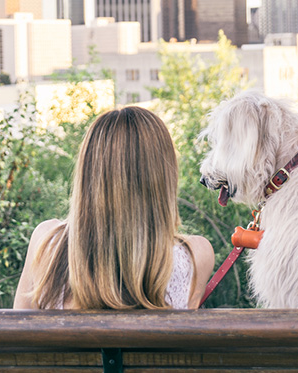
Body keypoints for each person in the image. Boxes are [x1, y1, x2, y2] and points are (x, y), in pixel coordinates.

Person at [13, 106, 215, 310]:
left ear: (88, 174)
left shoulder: (47, 243)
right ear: (163, 178)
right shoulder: (196, 255)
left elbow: (17, 333)